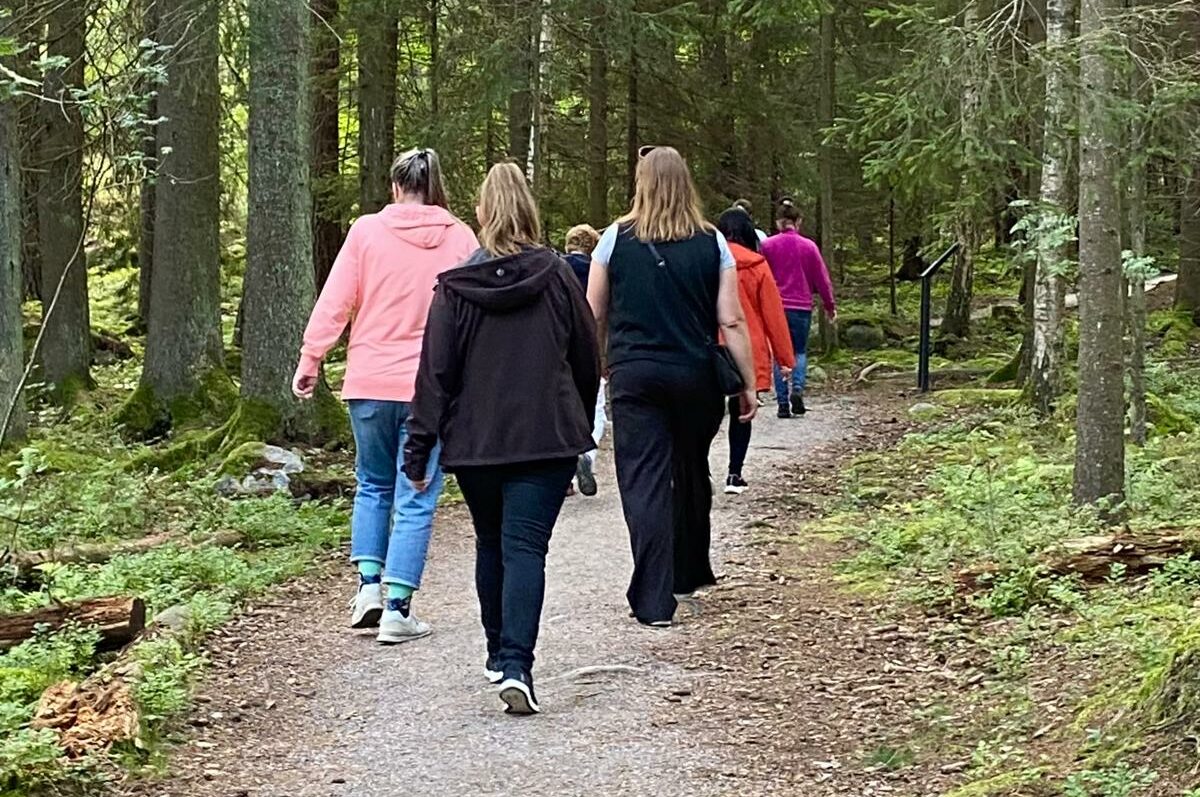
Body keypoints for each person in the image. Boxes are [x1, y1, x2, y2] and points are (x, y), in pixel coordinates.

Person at [404, 163, 600, 715]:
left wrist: (418, 448)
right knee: (525, 548)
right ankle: (517, 664)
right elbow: (587, 355)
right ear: (530, 211)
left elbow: (435, 373)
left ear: (482, 214)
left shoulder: (455, 287)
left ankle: (497, 652)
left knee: (491, 542)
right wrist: (579, 422)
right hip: (546, 437)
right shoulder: (558, 276)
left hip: (478, 441)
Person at [292, 148, 478, 644]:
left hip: (370, 381)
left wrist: (311, 358)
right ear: (435, 187)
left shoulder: (366, 231)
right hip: (430, 389)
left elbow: (336, 300)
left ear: (396, 187)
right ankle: (397, 609)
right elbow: (473, 312)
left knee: (373, 484)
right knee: (416, 492)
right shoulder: (460, 237)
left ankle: (368, 588)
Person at [587, 146, 757, 628]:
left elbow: (592, 311)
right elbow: (731, 319)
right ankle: (687, 570)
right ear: (686, 184)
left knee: (644, 480)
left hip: (635, 375)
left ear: (641, 183)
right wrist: (748, 383)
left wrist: (594, 365)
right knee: (690, 468)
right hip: (695, 376)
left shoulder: (613, 239)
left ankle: (653, 599)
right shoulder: (712, 241)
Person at [715, 208, 795, 495]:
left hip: (709, 345)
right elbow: (773, 315)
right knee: (743, 411)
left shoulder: (708, 261)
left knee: (706, 411)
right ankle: (734, 474)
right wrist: (785, 359)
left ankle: (699, 470)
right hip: (747, 347)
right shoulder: (757, 265)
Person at [760, 198, 837, 419]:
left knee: (779, 355)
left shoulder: (767, 246)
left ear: (778, 222)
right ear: (798, 221)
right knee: (799, 351)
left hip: (775, 307)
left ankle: (783, 403)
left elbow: (760, 276)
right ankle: (797, 388)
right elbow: (822, 279)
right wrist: (829, 306)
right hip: (801, 306)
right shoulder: (809, 246)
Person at [562, 224, 606, 497]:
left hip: (559, 350)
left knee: (562, 409)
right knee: (595, 406)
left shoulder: (554, 269)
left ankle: (564, 476)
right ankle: (587, 453)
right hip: (590, 348)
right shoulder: (598, 271)